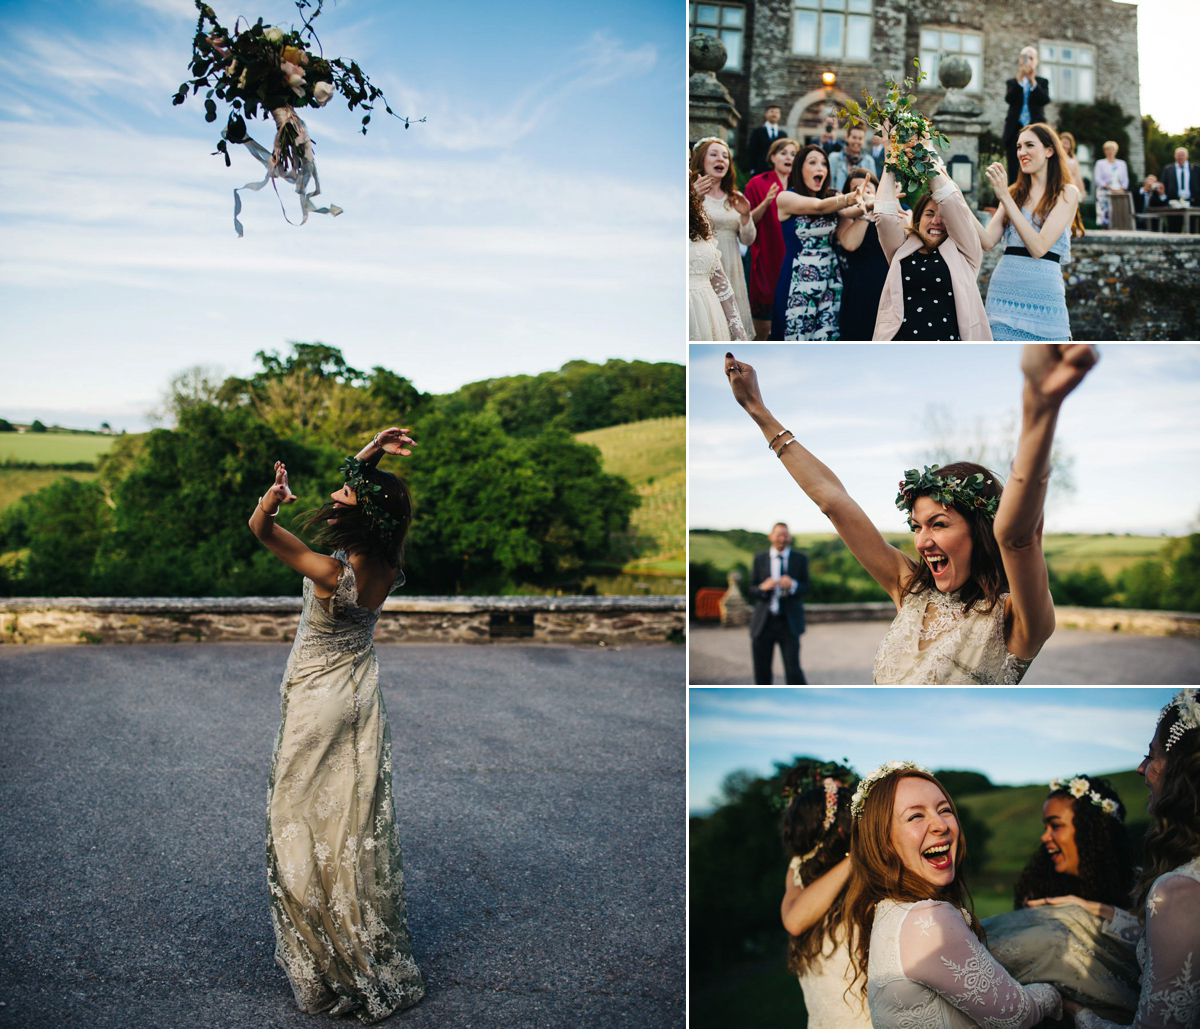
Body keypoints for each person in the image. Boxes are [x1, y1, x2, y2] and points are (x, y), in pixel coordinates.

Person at [723, 343, 1099, 684]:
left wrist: (1040, 409)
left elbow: (1019, 538)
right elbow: (833, 501)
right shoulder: (909, 588)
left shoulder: (1019, 621)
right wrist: (758, 410)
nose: (922, 541)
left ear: (980, 529)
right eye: (917, 526)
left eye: (939, 524)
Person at [249, 428, 425, 1022]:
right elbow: (373, 493)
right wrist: (371, 452)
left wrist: (270, 502)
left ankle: (335, 958)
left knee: (294, 822)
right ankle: (356, 944)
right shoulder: (387, 561)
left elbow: (261, 532)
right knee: (348, 820)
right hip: (360, 692)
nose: (336, 490)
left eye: (347, 492)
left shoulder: (329, 570)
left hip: (319, 699)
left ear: (363, 512)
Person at [843, 762, 1062, 1028]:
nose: (940, 825)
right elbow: (1017, 1015)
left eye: (944, 810)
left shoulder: (888, 911)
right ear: (882, 841)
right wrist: (1056, 995)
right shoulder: (928, 920)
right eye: (915, 816)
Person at [1070, 688, 1200, 1029]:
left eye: (1152, 755)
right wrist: (1085, 908)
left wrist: (1076, 1015)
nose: (1141, 769)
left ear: (1186, 772)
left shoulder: (1178, 890)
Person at [983, 776, 1141, 1023]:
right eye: (1045, 827)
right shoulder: (1040, 889)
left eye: (1055, 825)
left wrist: (1088, 909)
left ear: (1093, 830)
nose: (1045, 837)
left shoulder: (1142, 889)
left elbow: (1157, 946)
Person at [780, 762, 872, 1029]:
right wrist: (857, 855)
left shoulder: (866, 875)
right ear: (841, 828)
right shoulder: (798, 870)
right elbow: (795, 921)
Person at [978, 123, 1082, 341]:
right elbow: (987, 241)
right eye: (1018, 147)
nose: (1021, 152)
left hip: (1044, 294)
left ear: (1049, 151)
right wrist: (954, 197)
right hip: (1004, 293)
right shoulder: (1014, 193)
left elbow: (1039, 247)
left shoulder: (1067, 193)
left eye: (1029, 145)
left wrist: (1004, 197)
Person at [874, 154, 990, 340]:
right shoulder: (901, 247)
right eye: (929, 214)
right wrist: (892, 155)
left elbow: (951, 202)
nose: (936, 221)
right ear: (918, 220)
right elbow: (884, 217)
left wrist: (924, 158)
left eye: (943, 215)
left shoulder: (966, 251)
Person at [771, 144, 867, 340]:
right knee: (796, 336)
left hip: (830, 277)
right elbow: (820, 207)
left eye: (824, 164)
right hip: (798, 280)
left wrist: (878, 202)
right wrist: (851, 197)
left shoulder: (832, 197)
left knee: (827, 336)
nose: (820, 168)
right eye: (813, 162)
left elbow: (849, 212)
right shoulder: (786, 197)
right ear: (799, 169)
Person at [691, 138, 756, 338]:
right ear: (701, 160)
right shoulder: (691, 193)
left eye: (725, 156)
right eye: (714, 154)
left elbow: (748, 240)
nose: (721, 159)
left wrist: (746, 215)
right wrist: (693, 196)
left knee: (733, 319)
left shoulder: (733, 197)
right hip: (705, 266)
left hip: (732, 264)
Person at [744, 138, 799, 339]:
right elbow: (747, 223)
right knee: (763, 327)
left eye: (793, 154)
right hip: (765, 252)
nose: (789, 157)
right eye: (783, 152)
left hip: (792, 254)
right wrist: (766, 202)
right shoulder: (757, 183)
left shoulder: (799, 183)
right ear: (773, 156)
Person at [749, 522, 809, 684]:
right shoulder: (759, 559)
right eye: (779, 535)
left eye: (785, 535)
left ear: (789, 537)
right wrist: (763, 587)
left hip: (789, 623)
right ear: (771, 537)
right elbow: (751, 589)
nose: (782, 539)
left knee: (793, 670)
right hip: (764, 622)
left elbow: (806, 587)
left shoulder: (800, 559)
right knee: (761, 671)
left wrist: (794, 585)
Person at [689, 180, 748, 340]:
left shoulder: (698, 214)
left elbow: (720, 280)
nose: (687, 171)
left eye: (688, 163)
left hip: (711, 310)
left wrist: (738, 332)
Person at [835, 169, 888, 341]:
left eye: (867, 186)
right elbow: (850, 244)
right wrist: (866, 212)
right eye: (856, 188)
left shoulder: (891, 208)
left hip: (888, 281)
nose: (863, 190)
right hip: (860, 285)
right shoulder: (845, 215)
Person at [1003, 46, 1050, 185]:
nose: (1028, 61)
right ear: (1019, 61)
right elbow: (1009, 99)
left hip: (1035, 128)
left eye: (1031, 58)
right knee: (1013, 169)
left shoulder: (1042, 82)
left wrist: (1032, 81)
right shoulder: (1012, 82)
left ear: (1036, 61)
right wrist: (1020, 78)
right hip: (1014, 130)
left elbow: (1044, 100)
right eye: (1025, 58)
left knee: (1036, 166)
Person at [828, 124, 878, 193]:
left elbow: (873, 188)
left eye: (860, 138)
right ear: (847, 138)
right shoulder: (834, 158)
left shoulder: (869, 161)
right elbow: (829, 186)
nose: (857, 141)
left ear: (863, 140)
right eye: (854, 137)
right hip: (839, 201)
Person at [1160, 146, 1198, 233]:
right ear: (1175, 156)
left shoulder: (1196, 169)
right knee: (1173, 230)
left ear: (1187, 156)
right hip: (1174, 204)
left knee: (1194, 230)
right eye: (1178, 155)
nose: (1180, 157)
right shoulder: (1168, 169)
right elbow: (1164, 185)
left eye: (1182, 155)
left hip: (1193, 203)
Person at [1093, 140, 1129, 228]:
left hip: (1119, 193)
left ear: (1115, 151)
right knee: (1105, 218)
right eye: (1107, 149)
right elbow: (1098, 179)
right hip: (1105, 193)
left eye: (1112, 149)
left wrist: (1121, 189)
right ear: (1105, 151)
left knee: (1118, 216)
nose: (1110, 152)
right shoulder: (1100, 163)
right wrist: (1110, 188)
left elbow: (1125, 179)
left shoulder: (1122, 164)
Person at [746, 104, 789, 178]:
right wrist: (752, 169)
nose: (774, 114)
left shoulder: (783, 135)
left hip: (778, 171)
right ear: (766, 114)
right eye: (772, 112)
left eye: (777, 112)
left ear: (780, 116)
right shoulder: (757, 132)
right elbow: (752, 151)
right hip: (760, 170)